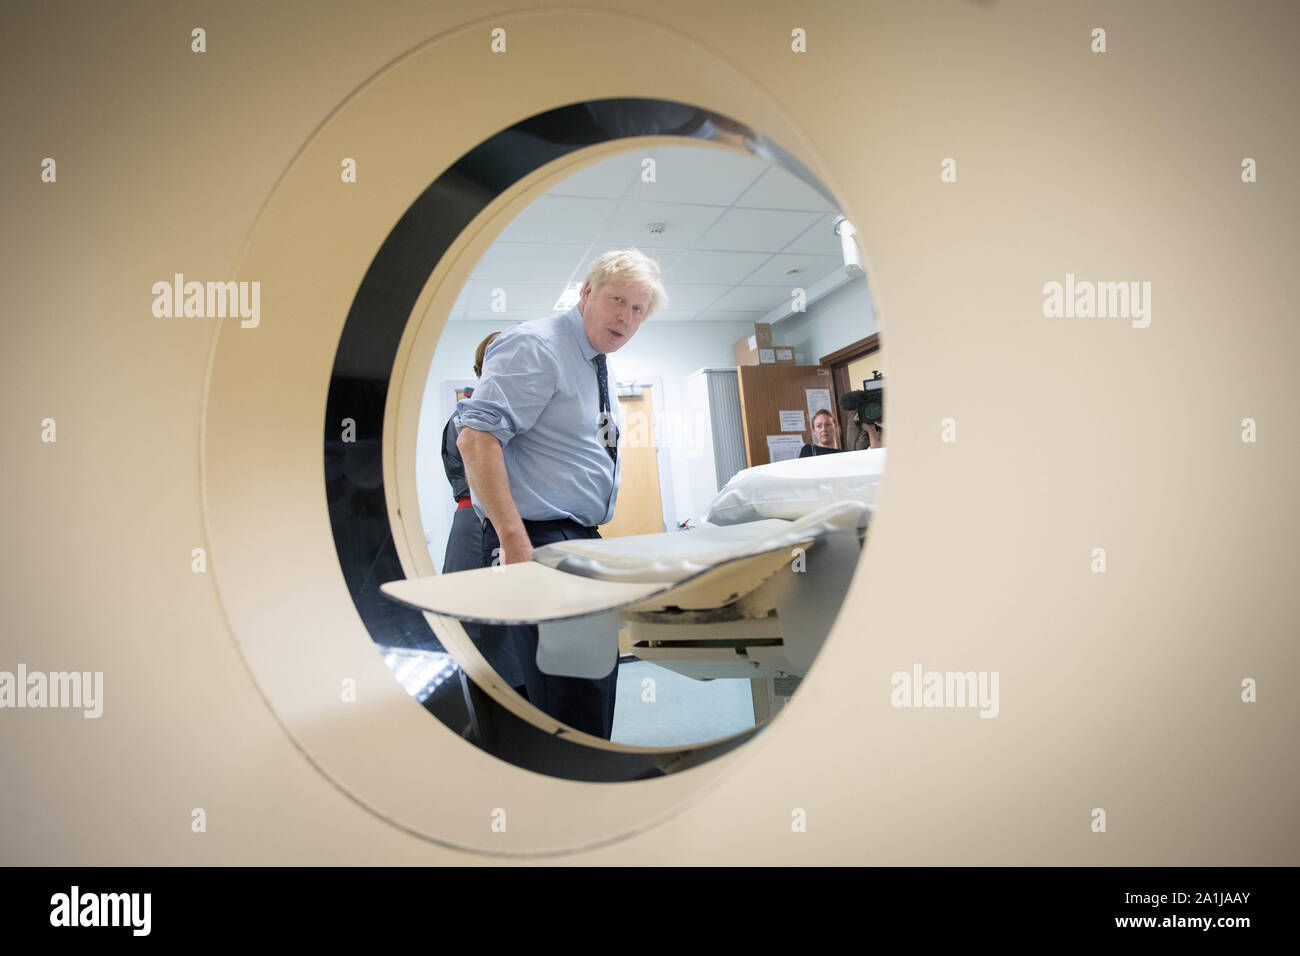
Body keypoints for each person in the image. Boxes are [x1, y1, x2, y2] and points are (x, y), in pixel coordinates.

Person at [453, 249, 667, 740]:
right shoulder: (538, 346)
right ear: (586, 293)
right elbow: (476, 438)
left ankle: (583, 798)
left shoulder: (594, 362)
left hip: (576, 538)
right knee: (566, 700)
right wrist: (514, 542)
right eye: (616, 300)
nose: (625, 317)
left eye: (638, 309)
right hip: (539, 539)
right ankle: (562, 805)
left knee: (590, 688)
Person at [440, 331, 530, 694]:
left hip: (496, 526)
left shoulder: (511, 412)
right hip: (481, 526)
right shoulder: (473, 417)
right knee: (488, 639)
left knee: (512, 637)